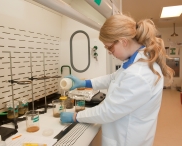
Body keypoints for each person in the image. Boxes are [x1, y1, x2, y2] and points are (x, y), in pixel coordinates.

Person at [60, 14, 174, 146]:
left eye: (110, 47)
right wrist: (85, 83)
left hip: (126, 139)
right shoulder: (134, 62)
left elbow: (108, 111)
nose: (109, 52)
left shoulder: (139, 74)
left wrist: (76, 116)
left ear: (123, 41)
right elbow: (114, 78)